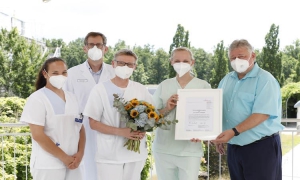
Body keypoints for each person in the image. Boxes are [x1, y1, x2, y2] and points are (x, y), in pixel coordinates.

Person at [212, 39, 284, 180]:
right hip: (234, 148)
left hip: (261, 148)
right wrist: (217, 135)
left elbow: (262, 114)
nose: (237, 60)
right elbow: (219, 109)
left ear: (253, 56)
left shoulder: (265, 80)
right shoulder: (226, 80)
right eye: (233, 58)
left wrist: (233, 131)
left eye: (241, 56)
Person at [83, 49, 151, 180]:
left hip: (135, 154)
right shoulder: (100, 90)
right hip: (110, 154)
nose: (125, 67)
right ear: (113, 64)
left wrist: (143, 128)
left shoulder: (140, 89)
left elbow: (152, 114)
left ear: (134, 67)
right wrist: (122, 132)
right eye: (121, 63)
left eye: (129, 64)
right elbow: (93, 123)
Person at [20, 57, 85, 180]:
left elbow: (81, 128)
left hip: (74, 163)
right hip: (48, 165)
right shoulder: (37, 98)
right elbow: (38, 135)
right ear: (45, 74)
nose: (60, 76)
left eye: (64, 72)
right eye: (55, 73)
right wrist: (64, 158)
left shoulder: (72, 98)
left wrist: (80, 154)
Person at [152, 47, 211, 180]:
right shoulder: (164, 85)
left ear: (192, 62)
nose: (181, 64)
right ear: (171, 62)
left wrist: (202, 134)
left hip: (190, 150)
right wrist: (167, 108)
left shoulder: (203, 86)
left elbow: (209, 118)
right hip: (164, 149)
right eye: (177, 60)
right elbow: (151, 117)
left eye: (185, 60)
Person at [64, 32, 115, 180]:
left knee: (109, 171)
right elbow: (66, 104)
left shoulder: (114, 73)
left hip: (108, 127)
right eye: (91, 45)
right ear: (84, 48)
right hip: (81, 128)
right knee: (85, 170)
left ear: (105, 48)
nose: (94, 48)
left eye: (98, 45)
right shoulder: (72, 74)